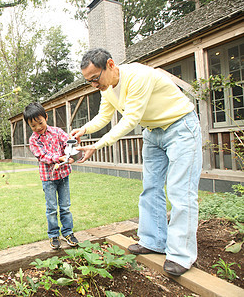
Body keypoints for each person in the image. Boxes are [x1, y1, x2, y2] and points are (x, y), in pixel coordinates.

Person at [70, 48, 202, 276]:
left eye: (95, 79)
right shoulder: (108, 87)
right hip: (153, 132)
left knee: (181, 192)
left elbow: (131, 119)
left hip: (180, 127)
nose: (93, 85)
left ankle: (181, 255)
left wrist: (97, 145)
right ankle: (153, 241)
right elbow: (104, 116)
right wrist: (84, 129)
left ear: (110, 64)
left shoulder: (138, 76)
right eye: (89, 81)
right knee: (150, 188)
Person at [24, 102, 79, 250]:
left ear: (46, 118)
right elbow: (42, 155)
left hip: (63, 175)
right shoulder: (33, 140)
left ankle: (68, 232)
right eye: (33, 126)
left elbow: (67, 144)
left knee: (65, 207)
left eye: (40, 123)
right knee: (52, 208)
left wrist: (70, 153)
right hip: (48, 178)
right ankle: (54, 235)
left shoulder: (57, 132)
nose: (38, 128)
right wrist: (58, 158)